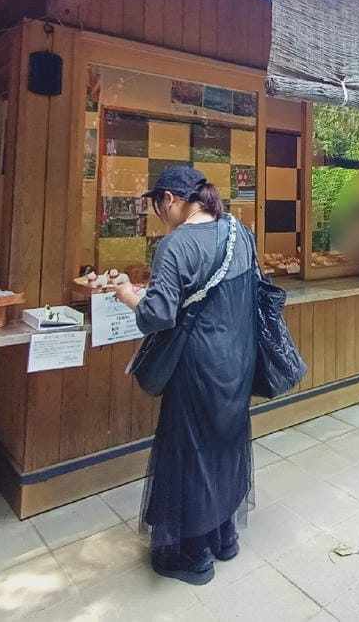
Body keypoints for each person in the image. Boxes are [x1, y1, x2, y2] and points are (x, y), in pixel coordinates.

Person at [109, 165, 257, 586]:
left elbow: (158, 316)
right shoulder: (239, 232)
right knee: (225, 446)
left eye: (159, 206)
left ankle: (193, 555)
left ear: (171, 199)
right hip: (238, 359)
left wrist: (127, 295)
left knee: (189, 454)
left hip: (196, 365)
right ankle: (224, 538)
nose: (160, 215)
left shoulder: (175, 245)